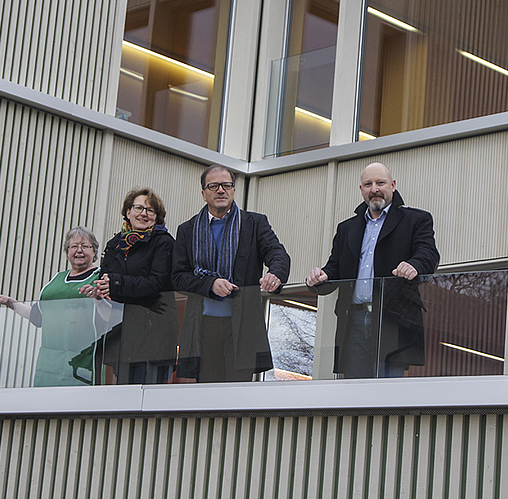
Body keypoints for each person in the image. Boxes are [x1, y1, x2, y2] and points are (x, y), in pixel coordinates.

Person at [306, 162, 440, 378]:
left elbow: (429, 254)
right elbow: (335, 268)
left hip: (392, 318)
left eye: (380, 182)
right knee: (353, 395)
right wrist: (322, 276)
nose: (374, 189)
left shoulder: (416, 220)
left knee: (386, 397)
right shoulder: (347, 228)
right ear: (361, 190)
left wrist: (414, 265)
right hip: (353, 320)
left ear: (393, 185)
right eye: (368, 184)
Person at [172, 165, 291, 382]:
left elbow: (277, 253)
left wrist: (276, 273)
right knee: (207, 396)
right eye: (214, 186)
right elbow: (178, 276)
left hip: (242, 326)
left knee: (238, 397)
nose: (221, 190)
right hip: (203, 326)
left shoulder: (254, 223)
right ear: (203, 193)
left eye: (226, 185)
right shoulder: (187, 230)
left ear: (234, 190)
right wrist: (210, 283)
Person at [0, 226, 106, 386]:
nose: (79, 251)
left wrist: (97, 298)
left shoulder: (101, 278)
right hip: (48, 368)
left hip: (83, 368)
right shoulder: (55, 280)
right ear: (67, 251)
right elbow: (37, 317)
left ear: (94, 251)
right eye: (74, 246)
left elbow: (109, 317)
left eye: (85, 246)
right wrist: (10, 302)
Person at [83, 188, 177, 384]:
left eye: (150, 211)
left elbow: (157, 282)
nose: (144, 213)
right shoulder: (114, 244)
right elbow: (105, 279)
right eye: (139, 208)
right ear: (128, 212)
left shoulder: (164, 242)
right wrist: (98, 291)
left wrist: (116, 284)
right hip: (121, 332)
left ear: (157, 217)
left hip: (154, 332)